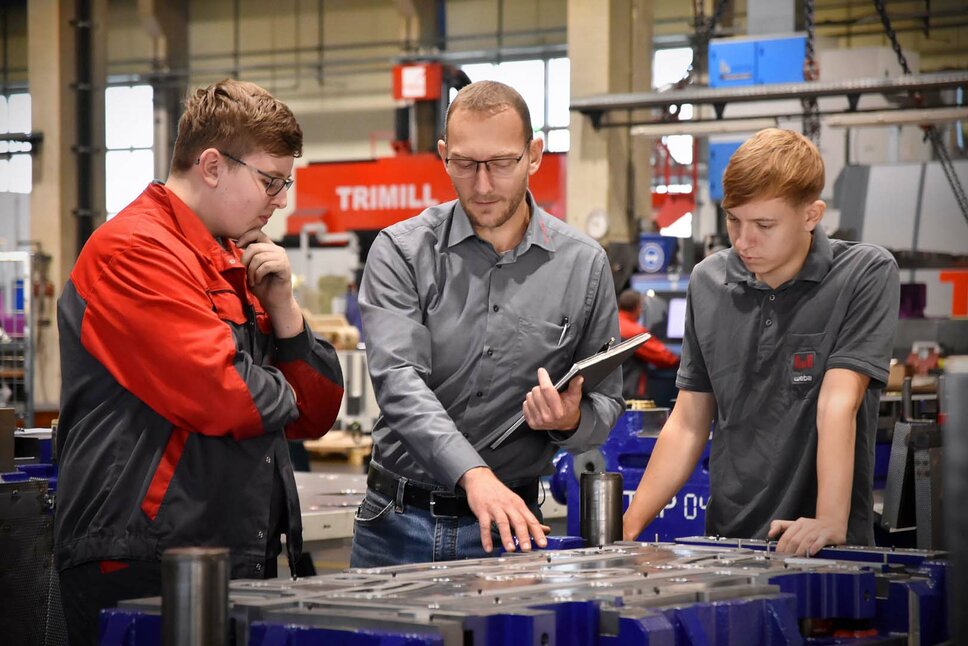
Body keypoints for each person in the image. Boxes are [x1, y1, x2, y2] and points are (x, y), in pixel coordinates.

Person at [54, 79, 344, 645]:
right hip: (141, 558)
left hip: (223, 549)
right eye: (270, 181)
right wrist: (272, 386)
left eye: (285, 182)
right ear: (212, 165)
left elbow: (315, 413)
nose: (280, 199)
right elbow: (225, 394)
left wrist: (283, 308)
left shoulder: (232, 257)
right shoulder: (133, 252)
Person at [351, 80, 624, 567]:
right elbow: (398, 383)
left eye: (500, 164)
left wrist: (570, 421)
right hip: (397, 525)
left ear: (533, 155)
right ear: (443, 155)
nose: (481, 185)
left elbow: (606, 400)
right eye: (464, 164)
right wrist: (475, 476)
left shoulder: (584, 265)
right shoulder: (401, 252)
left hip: (509, 531)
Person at [623, 128, 899, 556]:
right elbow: (689, 422)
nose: (743, 241)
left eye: (764, 225)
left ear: (812, 215)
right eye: (733, 219)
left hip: (818, 547)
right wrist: (626, 527)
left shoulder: (863, 274)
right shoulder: (707, 282)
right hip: (726, 545)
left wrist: (828, 519)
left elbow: (837, 403)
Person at [616, 289, 680, 400]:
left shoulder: (611, 324)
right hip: (629, 396)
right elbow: (664, 357)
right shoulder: (634, 332)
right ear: (637, 307)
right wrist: (681, 360)